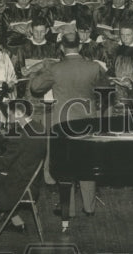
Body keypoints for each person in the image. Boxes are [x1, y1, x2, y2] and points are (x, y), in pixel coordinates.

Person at [30, 37, 109, 230]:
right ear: (80, 46)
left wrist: (42, 69)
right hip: (87, 122)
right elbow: (106, 90)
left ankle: (69, 209)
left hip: (62, 123)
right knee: (86, 163)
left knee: (66, 167)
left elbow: (35, 87)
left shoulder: (55, 68)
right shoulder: (94, 66)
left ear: (61, 47)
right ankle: (89, 207)